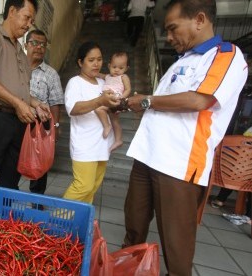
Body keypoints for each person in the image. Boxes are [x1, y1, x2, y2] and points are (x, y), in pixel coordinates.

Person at [123, 0, 249, 275]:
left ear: (200, 20)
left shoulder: (227, 55)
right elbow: (165, 104)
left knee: (177, 250)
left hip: (178, 166)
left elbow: (197, 100)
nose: (168, 37)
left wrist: (145, 100)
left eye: (172, 28)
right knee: (133, 231)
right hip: (146, 156)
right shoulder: (183, 60)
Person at [0, 0, 50, 194]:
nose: (29, 24)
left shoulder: (20, 53)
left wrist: (36, 103)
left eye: (32, 20)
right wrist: (17, 104)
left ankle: (1, 222)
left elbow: (20, 90)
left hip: (16, 121)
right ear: (12, 11)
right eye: (27, 17)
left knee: (10, 181)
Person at [63, 41, 120, 204]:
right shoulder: (75, 82)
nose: (96, 64)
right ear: (80, 62)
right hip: (84, 144)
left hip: (102, 143)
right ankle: (57, 222)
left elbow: (108, 106)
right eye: (91, 60)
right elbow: (73, 109)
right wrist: (99, 100)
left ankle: (78, 223)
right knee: (83, 187)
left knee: (93, 187)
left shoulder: (103, 83)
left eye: (99, 59)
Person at [25, 29, 64, 196]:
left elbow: (55, 102)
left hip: (39, 125)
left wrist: (55, 125)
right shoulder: (16, 67)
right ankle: (9, 194)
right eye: (35, 43)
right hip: (15, 120)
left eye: (43, 44)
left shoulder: (51, 74)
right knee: (11, 162)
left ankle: (37, 200)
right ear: (26, 44)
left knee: (38, 166)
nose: (39, 47)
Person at [95, 51, 131, 152]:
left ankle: (107, 125)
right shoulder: (107, 76)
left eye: (121, 68)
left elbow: (128, 89)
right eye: (114, 67)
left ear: (126, 68)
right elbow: (99, 75)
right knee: (115, 120)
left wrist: (121, 97)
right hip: (108, 99)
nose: (116, 70)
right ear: (109, 66)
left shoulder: (123, 77)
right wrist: (94, 73)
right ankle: (118, 140)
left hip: (115, 99)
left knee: (99, 109)